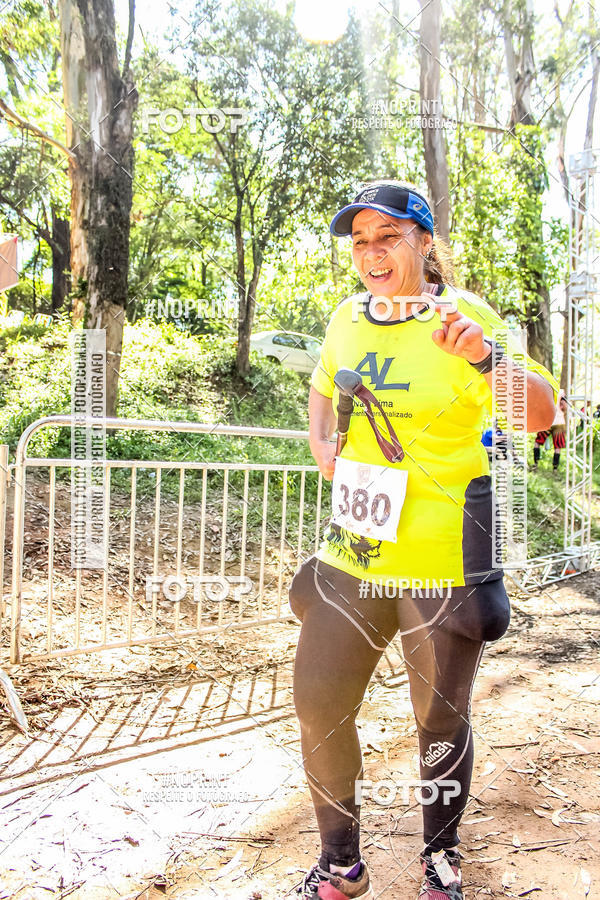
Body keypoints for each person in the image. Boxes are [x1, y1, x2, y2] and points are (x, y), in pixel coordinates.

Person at [289, 180, 557, 899]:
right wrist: (320, 439)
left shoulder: (463, 314)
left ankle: (440, 856)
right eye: (360, 240)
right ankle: (341, 861)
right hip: (354, 551)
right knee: (317, 700)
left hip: (441, 561)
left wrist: (483, 358)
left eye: (389, 237)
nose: (372, 253)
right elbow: (323, 382)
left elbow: (540, 412)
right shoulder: (348, 316)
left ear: (425, 242)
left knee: (438, 717)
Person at [532, 389, 567, 471]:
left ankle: (536, 464)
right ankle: (554, 468)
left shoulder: (548, 390)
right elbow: (564, 408)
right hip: (555, 422)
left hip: (550, 421)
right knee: (557, 446)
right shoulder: (561, 393)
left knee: (538, 442)